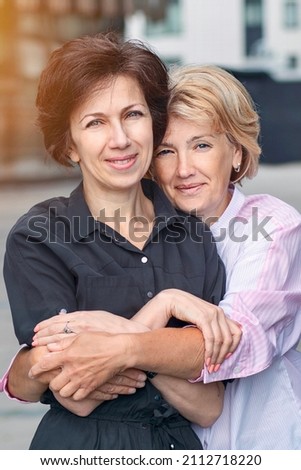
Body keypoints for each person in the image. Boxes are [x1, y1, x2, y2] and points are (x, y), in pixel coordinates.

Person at [0, 34, 241, 450]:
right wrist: (166, 311)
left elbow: (208, 405)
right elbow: (74, 393)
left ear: (153, 121)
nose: (121, 139)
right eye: (95, 122)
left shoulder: (195, 232)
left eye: (132, 114)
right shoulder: (39, 236)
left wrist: (116, 342)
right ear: (70, 145)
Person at [148, 64, 301, 449]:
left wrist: (119, 344)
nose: (184, 169)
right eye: (167, 150)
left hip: (263, 443)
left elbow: (228, 343)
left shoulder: (274, 226)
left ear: (235, 151)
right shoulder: (146, 231)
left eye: (201, 145)